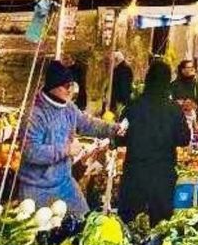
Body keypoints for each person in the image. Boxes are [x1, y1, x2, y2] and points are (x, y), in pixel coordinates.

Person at [19, 59, 122, 220]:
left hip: (64, 183)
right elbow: (31, 152)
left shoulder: (69, 108)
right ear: (54, 87)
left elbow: (88, 124)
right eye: (67, 86)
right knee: (42, 234)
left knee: (84, 221)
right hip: (36, 188)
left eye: (72, 85)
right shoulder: (35, 115)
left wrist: (113, 129)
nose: (71, 90)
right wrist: (65, 149)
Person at [118, 59, 191, 226]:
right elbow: (184, 139)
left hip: (135, 175)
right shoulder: (173, 109)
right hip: (162, 176)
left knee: (130, 225)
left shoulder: (133, 107)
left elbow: (120, 136)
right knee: (160, 226)